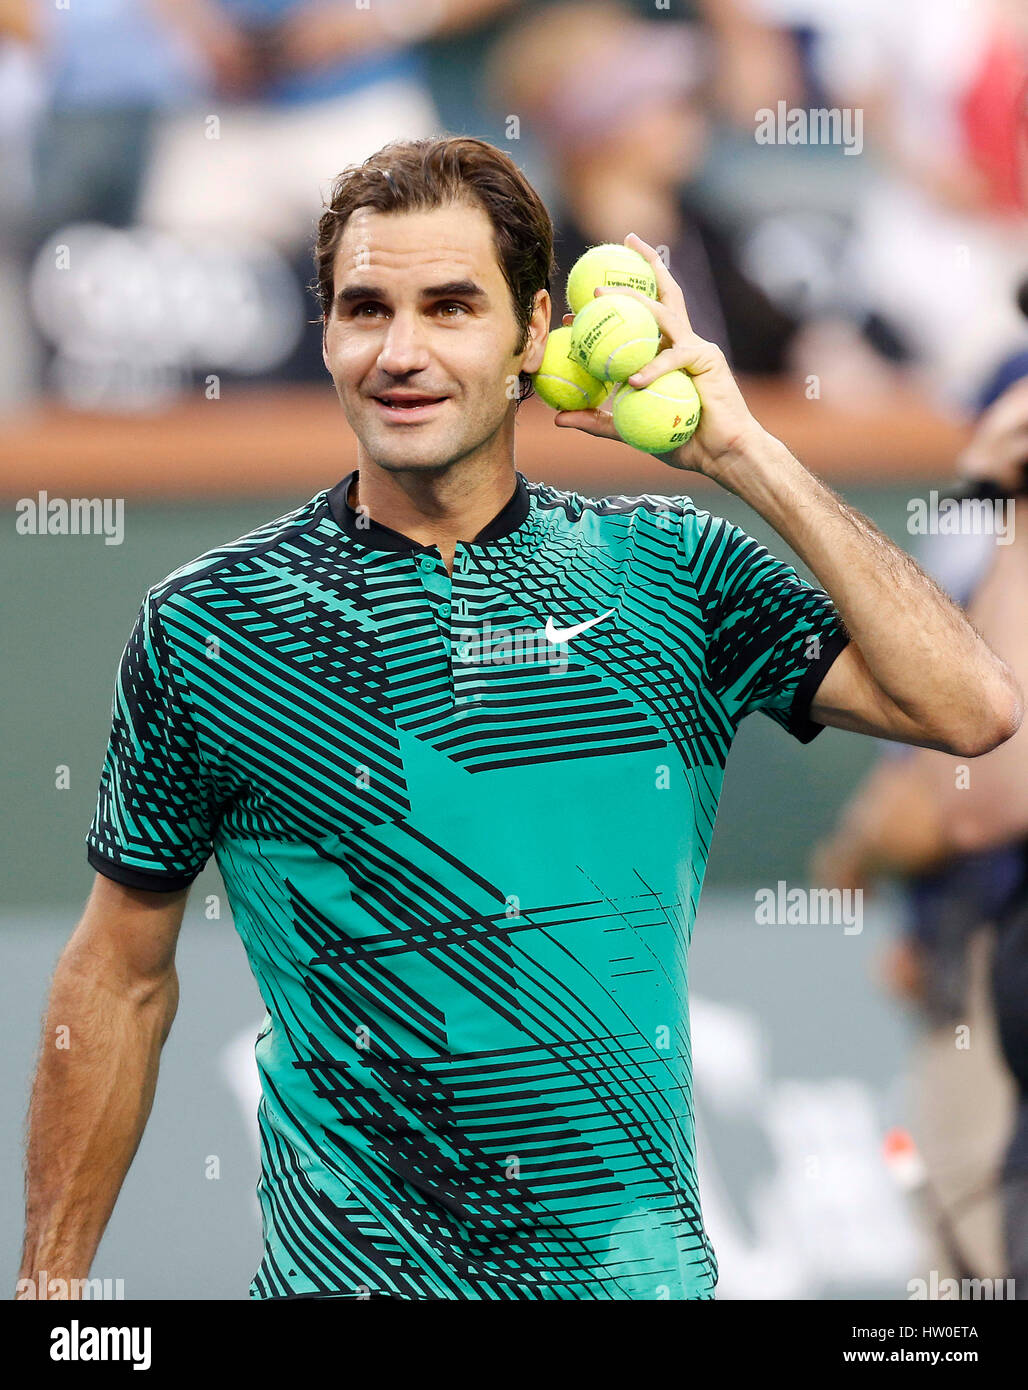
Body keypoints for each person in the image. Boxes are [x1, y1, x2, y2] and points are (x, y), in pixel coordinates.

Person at [17, 135, 1022, 1302]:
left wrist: (741, 450)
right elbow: (119, 973)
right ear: (326, 333)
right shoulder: (212, 627)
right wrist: (53, 1295)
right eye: (363, 309)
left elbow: (972, 706)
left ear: (533, 335)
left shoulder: (673, 570)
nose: (401, 352)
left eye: (450, 307)